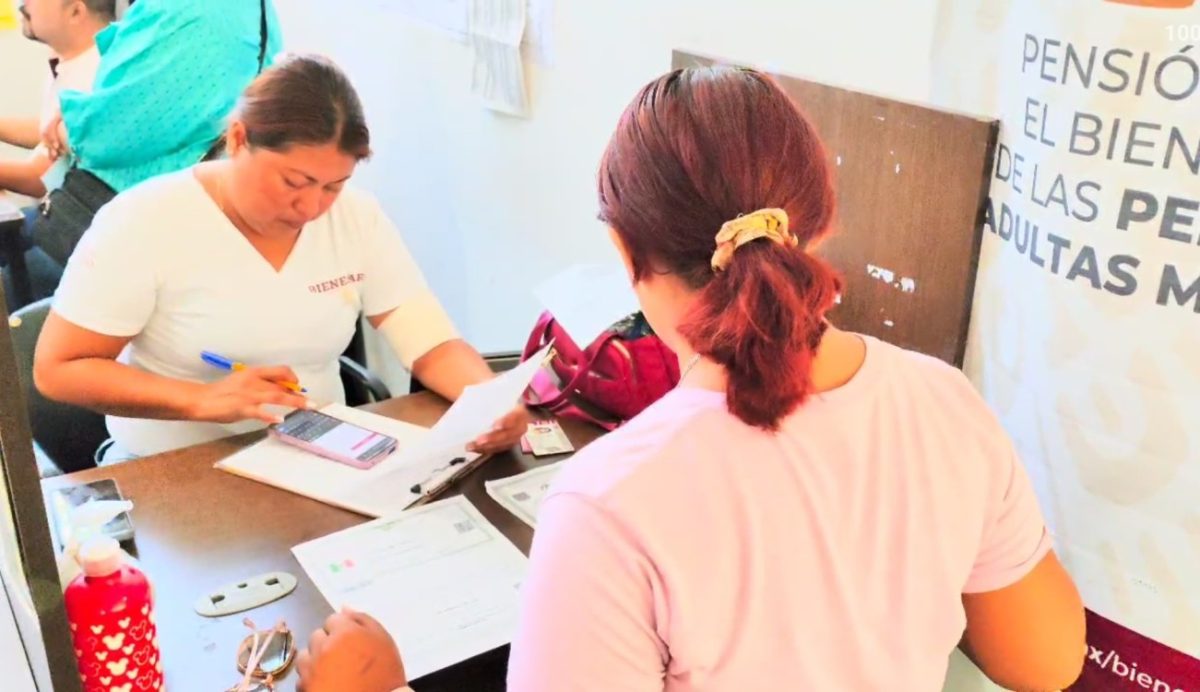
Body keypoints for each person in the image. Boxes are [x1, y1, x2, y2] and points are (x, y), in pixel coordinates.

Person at [294, 66, 1087, 691]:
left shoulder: (612, 503)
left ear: (624, 254)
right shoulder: (942, 400)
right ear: (818, 225)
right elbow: (1045, 661)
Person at [33, 54, 529, 463]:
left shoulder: (357, 218)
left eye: (333, 186)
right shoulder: (145, 221)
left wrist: (486, 401)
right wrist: (202, 399)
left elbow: (430, 342)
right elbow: (59, 367)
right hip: (173, 469)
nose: (311, 207)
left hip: (320, 456)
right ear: (238, 139)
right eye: (293, 182)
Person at [40, 0, 284, 194]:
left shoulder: (188, 11)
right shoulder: (255, 10)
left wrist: (64, 128)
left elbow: (113, 134)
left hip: (137, 218)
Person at [0, 0, 110, 198]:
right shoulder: (72, 61)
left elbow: (39, 179)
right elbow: (49, 132)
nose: (23, 3)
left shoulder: (97, 76)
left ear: (76, 11)